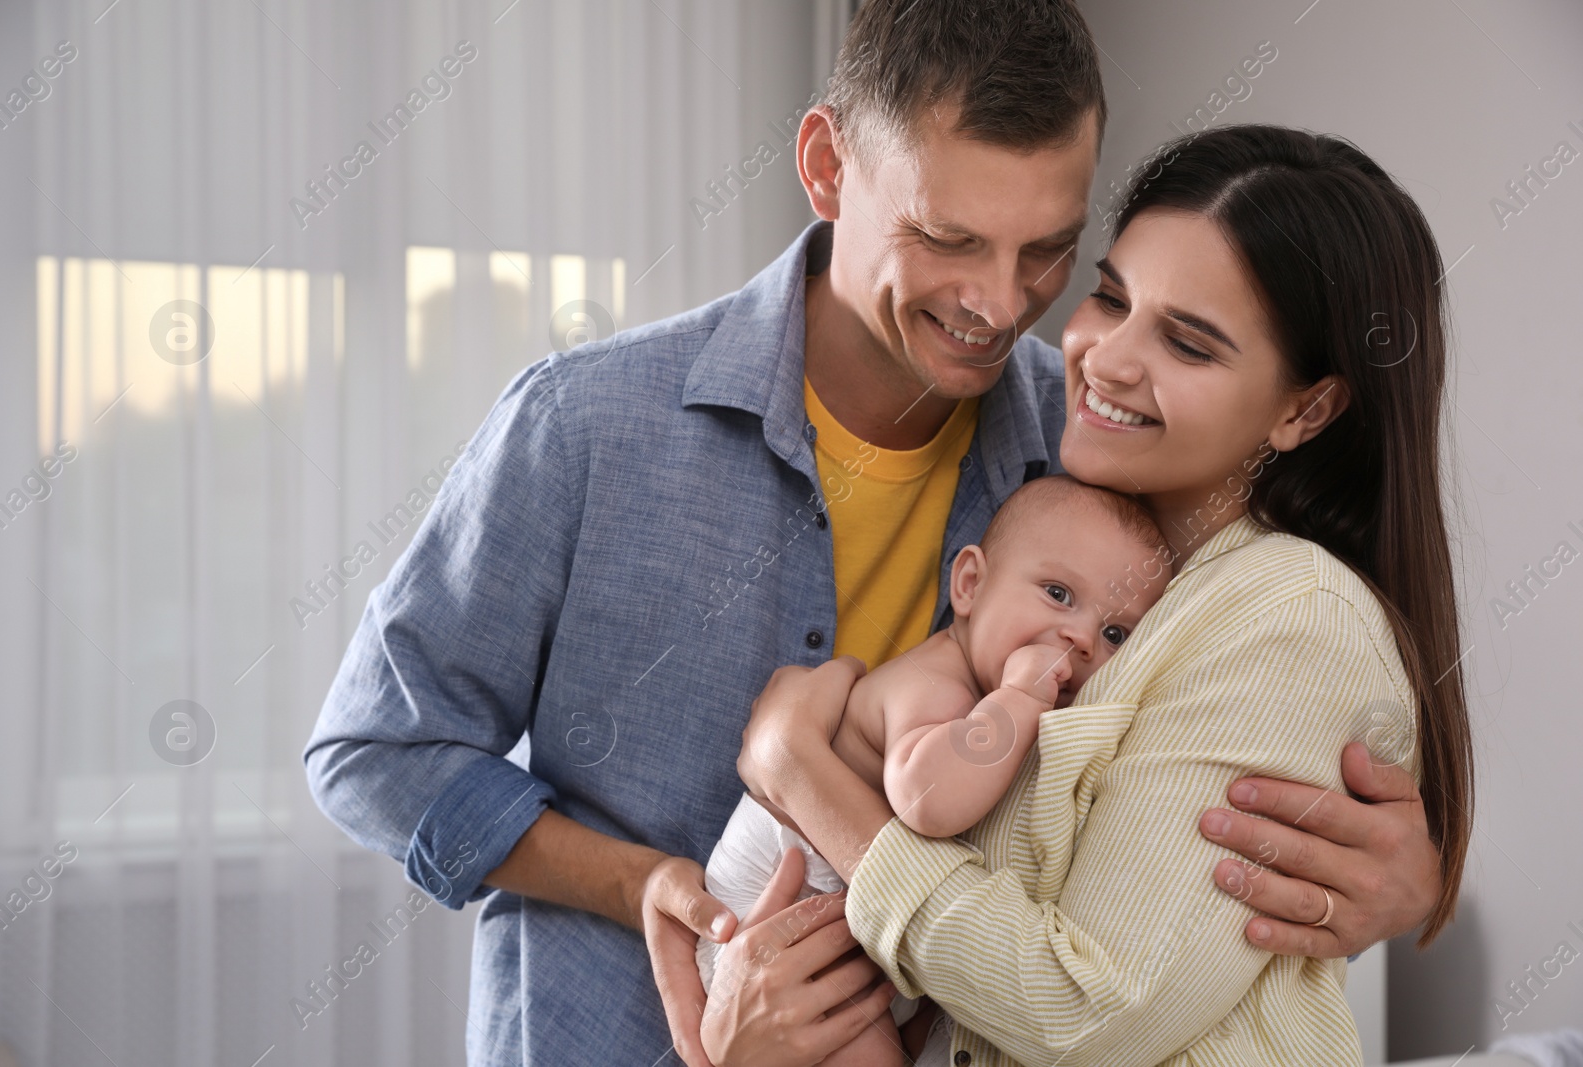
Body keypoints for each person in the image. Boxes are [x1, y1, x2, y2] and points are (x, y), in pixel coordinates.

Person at [302, 2, 1445, 1063]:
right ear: (825, 168)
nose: (1000, 305)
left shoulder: (1095, 447)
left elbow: (1184, 802)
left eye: (1048, 251)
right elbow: (375, 752)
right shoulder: (586, 426)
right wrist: (646, 884)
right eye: (948, 238)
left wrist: (1397, 885)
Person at [726, 123, 1474, 1066]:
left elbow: (1089, 1011)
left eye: (1189, 344)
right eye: (1110, 297)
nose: (1105, 359)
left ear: (1305, 408)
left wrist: (797, 766)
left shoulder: (1290, 616)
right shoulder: (1093, 545)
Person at [695, 476, 1172, 1064]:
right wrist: (1019, 698)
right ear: (970, 584)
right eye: (1057, 593)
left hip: (854, 924)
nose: (1079, 638)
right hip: (779, 902)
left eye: (1114, 633)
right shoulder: (939, 686)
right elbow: (927, 800)